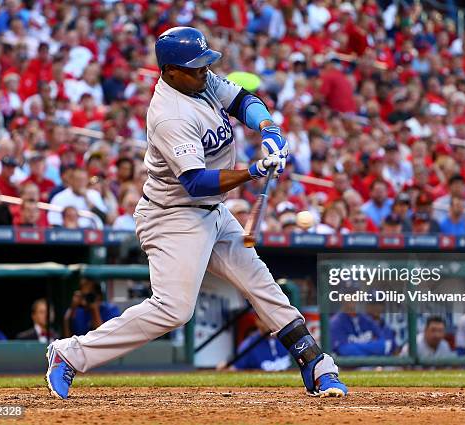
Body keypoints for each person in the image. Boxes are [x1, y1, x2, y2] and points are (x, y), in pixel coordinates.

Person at [46, 27, 347, 399]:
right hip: (174, 217)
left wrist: (268, 127)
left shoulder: (195, 79)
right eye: (195, 68)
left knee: (262, 285)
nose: (204, 72)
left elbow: (241, 100)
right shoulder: (170, 114)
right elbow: (196, 182)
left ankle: (316, 364)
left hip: (213, 212)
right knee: (173, 310)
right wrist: (251, 172)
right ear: (169, 71)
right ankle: (68, 354)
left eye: (206, 65)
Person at [226, 315, 291, 372]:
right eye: (263, 320)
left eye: (271, 319)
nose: (268, 324)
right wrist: (224, 368)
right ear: (257, 322)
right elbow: (235, 368)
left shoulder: (285, 337)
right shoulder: (249, 344)